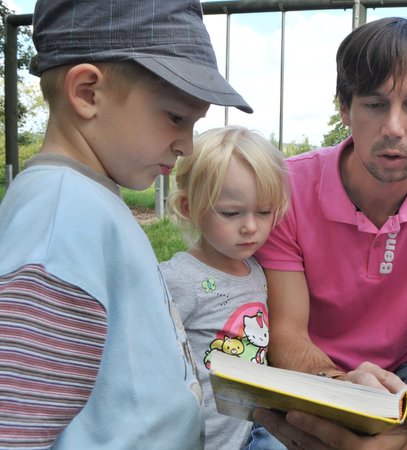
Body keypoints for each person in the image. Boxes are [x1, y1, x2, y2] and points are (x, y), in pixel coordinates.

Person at [0, 0, 252, 448]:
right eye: (176, 117)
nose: (187, 147)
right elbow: (16, 421)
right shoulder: (61, 215)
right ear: (87, 93)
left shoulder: (88, 196)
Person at [253, 17, 407, 450]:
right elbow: (287, 333)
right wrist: (340, 389)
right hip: (316, 372)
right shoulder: (286, 189)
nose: (394, 127)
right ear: (344, 107)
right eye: (374, 104)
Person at [159, 126, 289, 450]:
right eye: (231, 213)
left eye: (264, 212)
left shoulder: (257, 270)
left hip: (255, 429)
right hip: (208, 438)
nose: (250, 227)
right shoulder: (178, 278)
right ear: (189, 208)